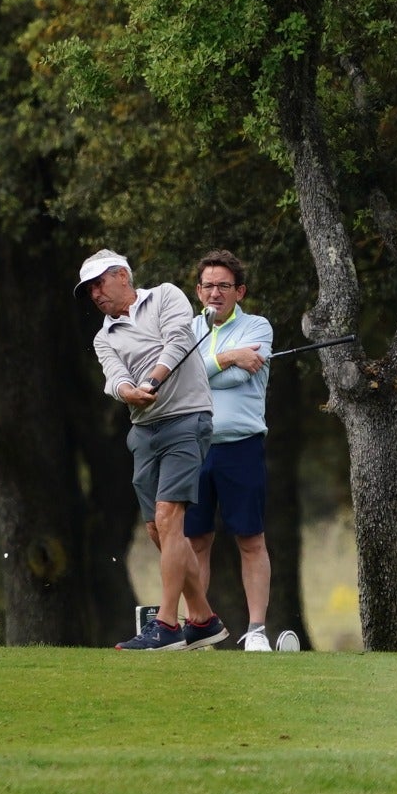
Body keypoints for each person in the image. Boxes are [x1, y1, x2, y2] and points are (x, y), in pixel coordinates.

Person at [78, 249, 228, 651]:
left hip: (186, 418)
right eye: (89, 289)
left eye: (99, 283)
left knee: (168, 517)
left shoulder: (165, 296)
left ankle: (166, 626)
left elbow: (178, 341)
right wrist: (130, 391)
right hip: (143, 429)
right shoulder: (102, 337)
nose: (95, 294)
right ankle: (203, 619)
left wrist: (154, 380)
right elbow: (114, 379)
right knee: (156, 529)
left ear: (123, 276)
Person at [182, 250, 295, 653]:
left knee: (250, 539)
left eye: (223, 286)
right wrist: (227, 357)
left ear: (239, 290)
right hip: (192, 448)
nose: (215, 293)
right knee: (195, 541)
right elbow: (181, 374)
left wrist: (201, 369)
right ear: (198, 291)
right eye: (208, 286)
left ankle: (257, 630)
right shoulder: (187, 327)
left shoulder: (257, 326)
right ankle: (197, 625)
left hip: (240, 446)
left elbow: (198, 374)